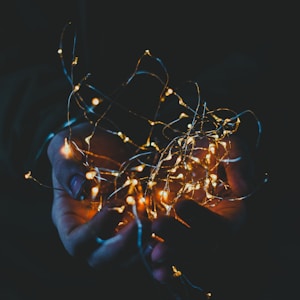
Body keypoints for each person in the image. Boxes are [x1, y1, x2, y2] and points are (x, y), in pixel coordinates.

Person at [1, 1, 298, 300]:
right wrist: (51, 127)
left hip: (254, 252)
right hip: (30, 256)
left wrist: (221, 120)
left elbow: (278, 33)